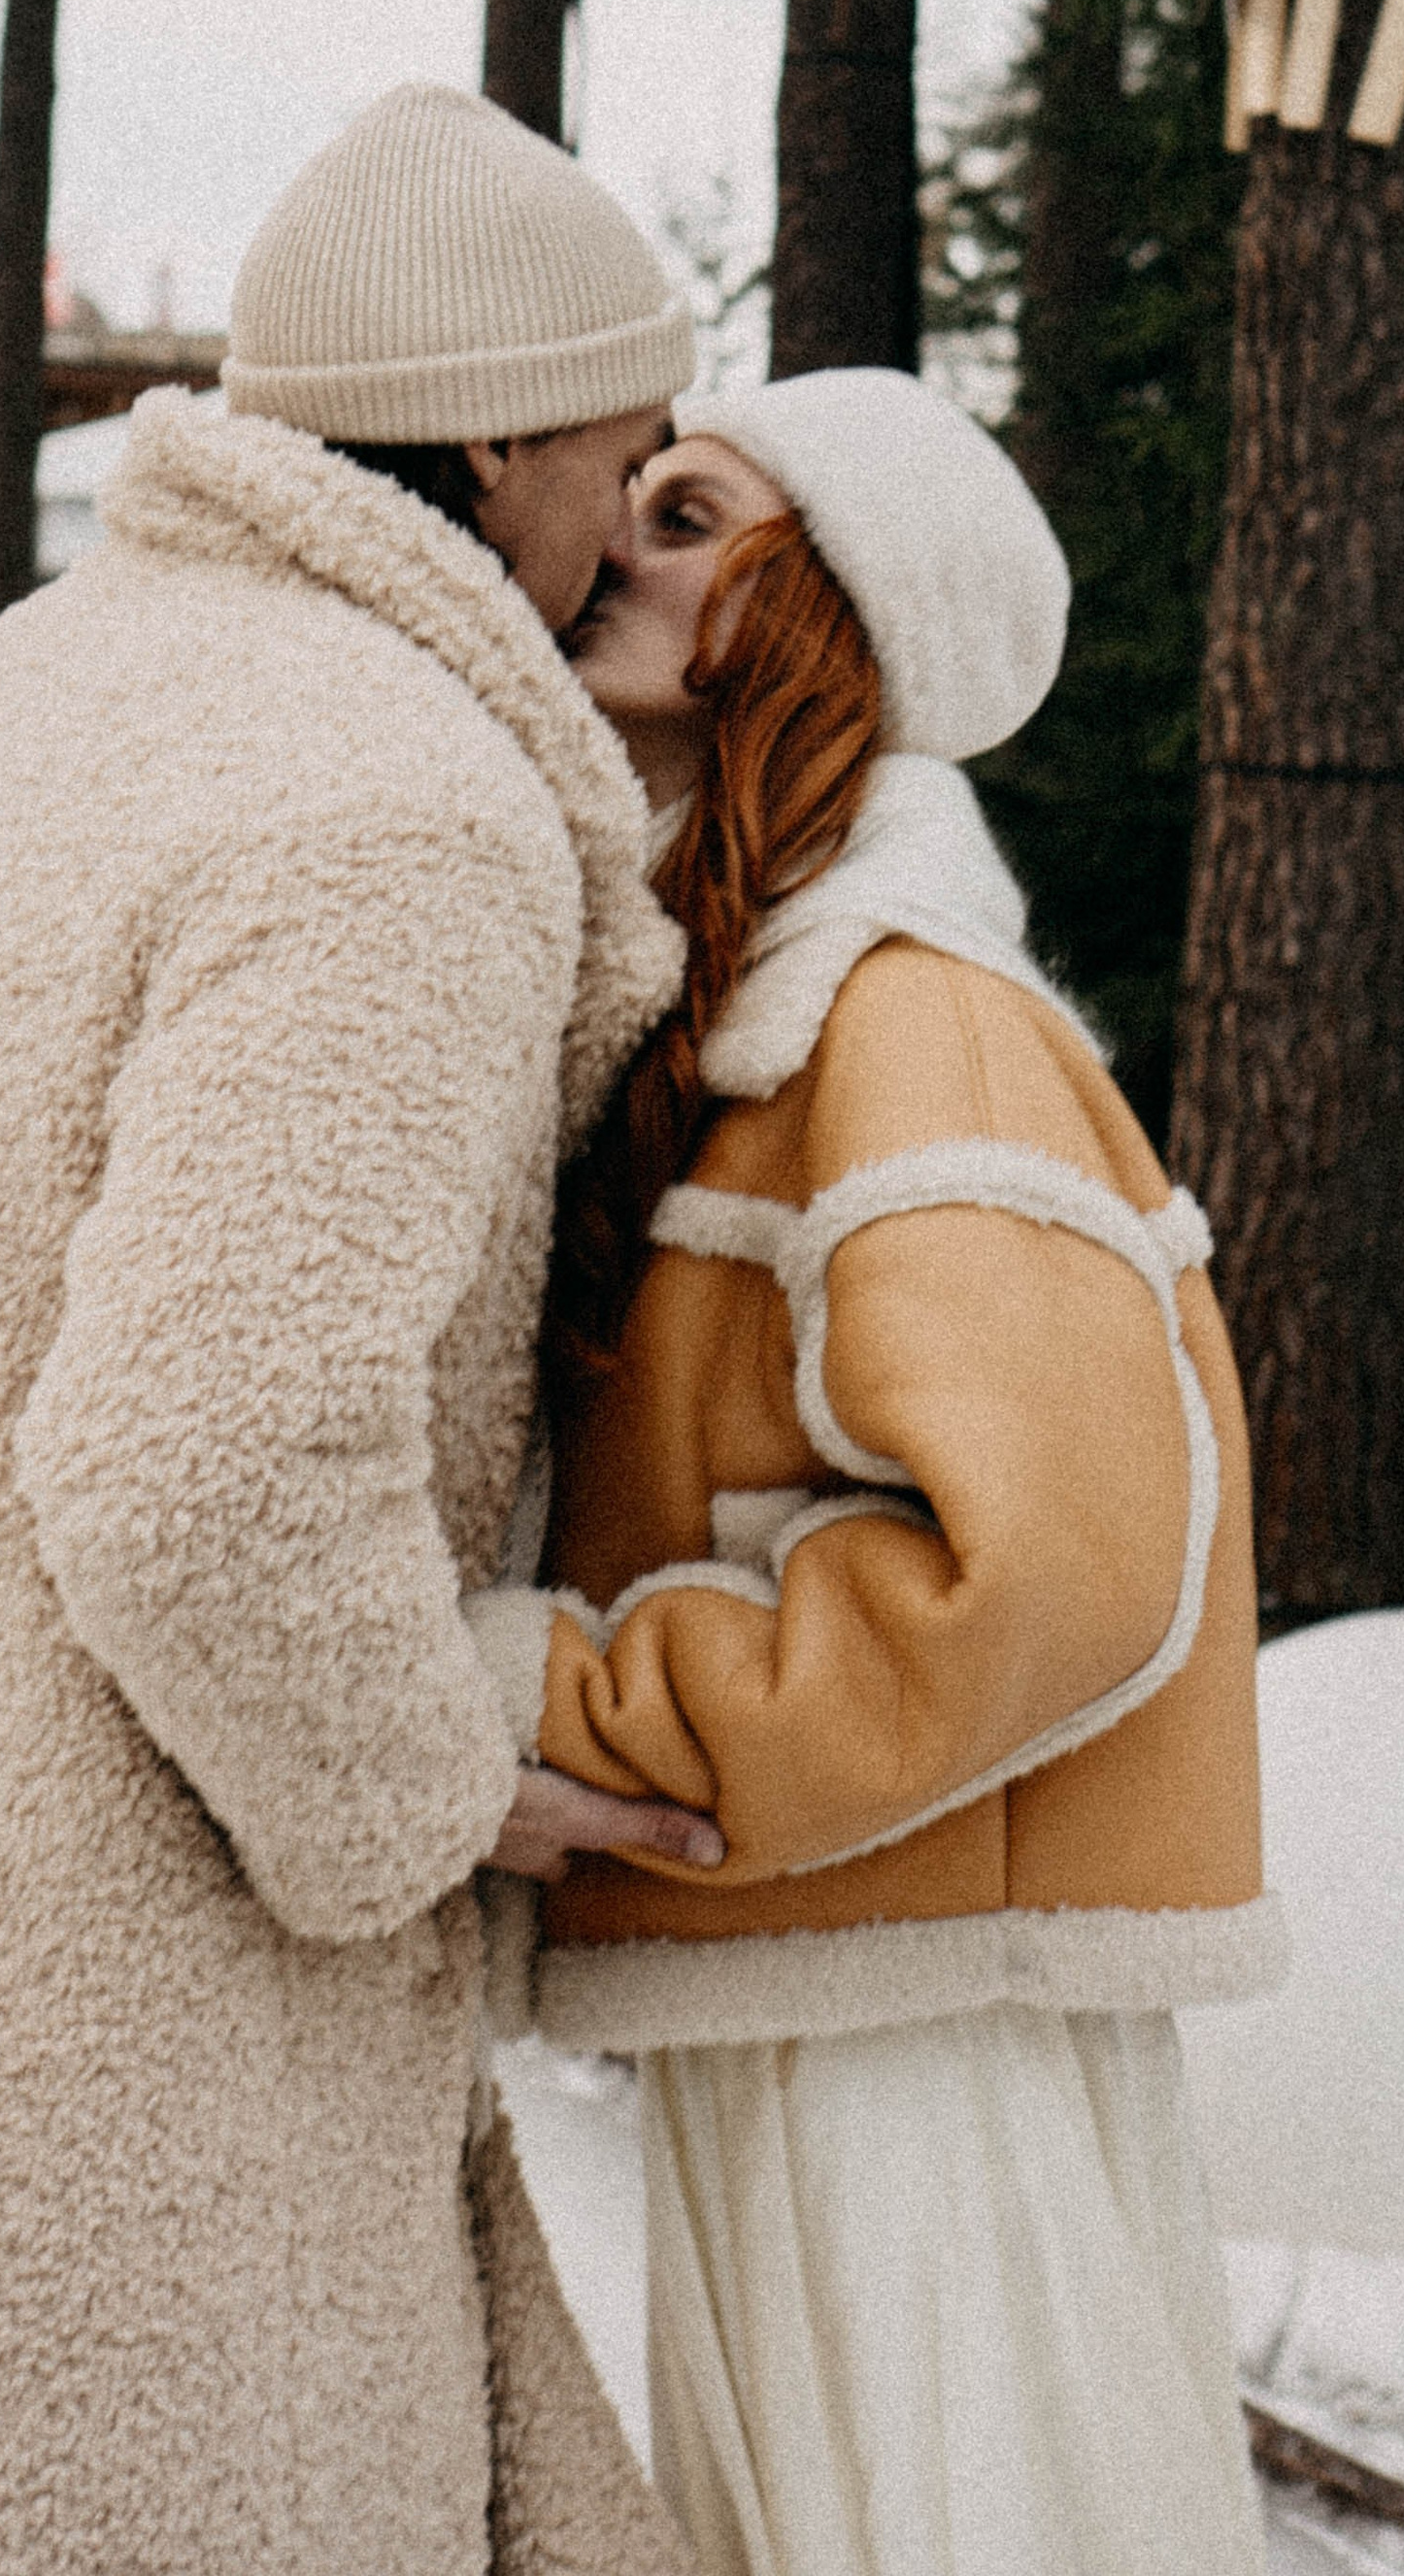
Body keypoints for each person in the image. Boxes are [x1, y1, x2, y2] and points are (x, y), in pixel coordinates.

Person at [0, 81, 717, 2576]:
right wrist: (433, 1786)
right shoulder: (392, 809)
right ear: (504, 451)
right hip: (125, 2140)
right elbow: (200, 1472)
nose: (637, 523)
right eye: (633, 457)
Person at [470, 367, 1286, 2576]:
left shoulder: (908, 1016)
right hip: (842, 1975)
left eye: (687, 513)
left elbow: (1046, 1564)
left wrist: (544, 1699)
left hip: (921, 2036)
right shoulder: (757, 1017)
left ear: (835, 609)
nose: (606, 547)